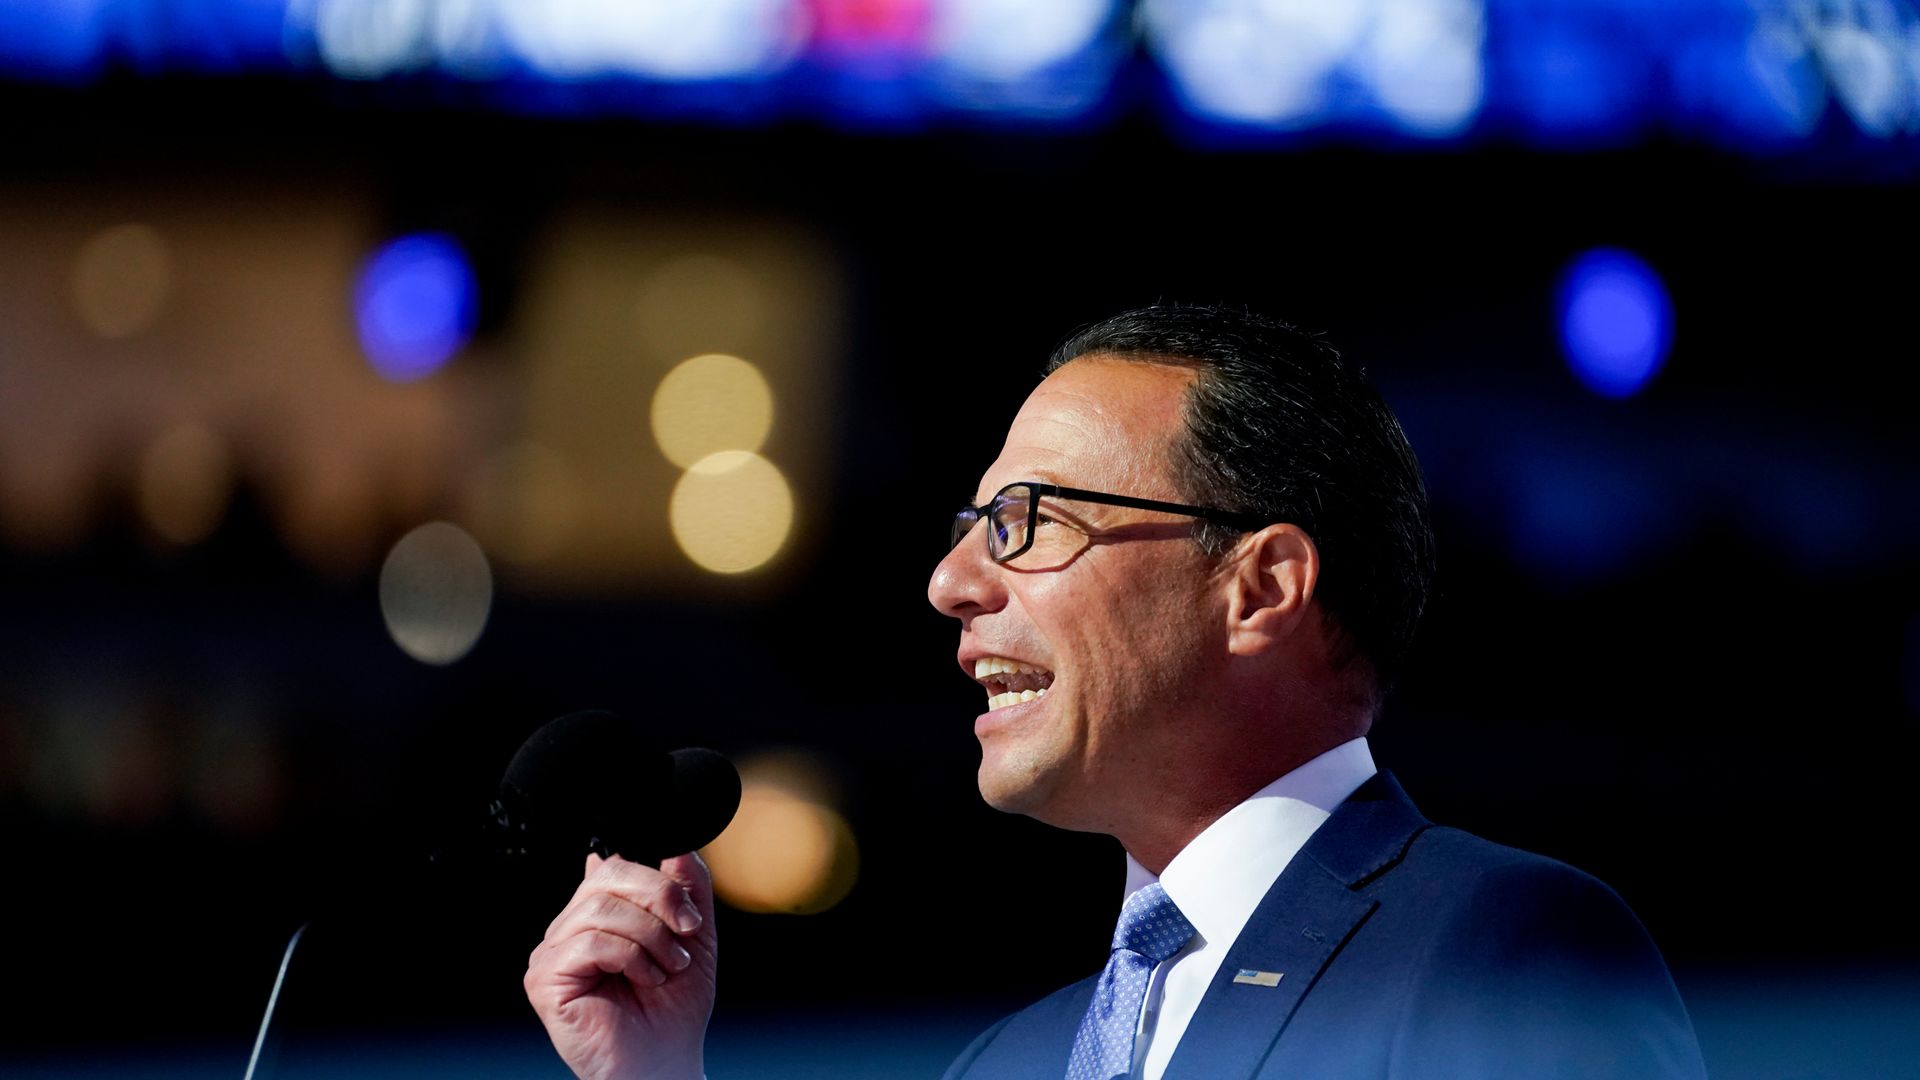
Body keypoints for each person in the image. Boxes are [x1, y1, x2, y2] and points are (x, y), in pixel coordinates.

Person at [523, 305, 1709, 1080]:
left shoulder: (1499, 949)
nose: (950, 582)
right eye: (971, 523)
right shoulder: (1005, 1064)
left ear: (1261, 588)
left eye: (1028, 520)